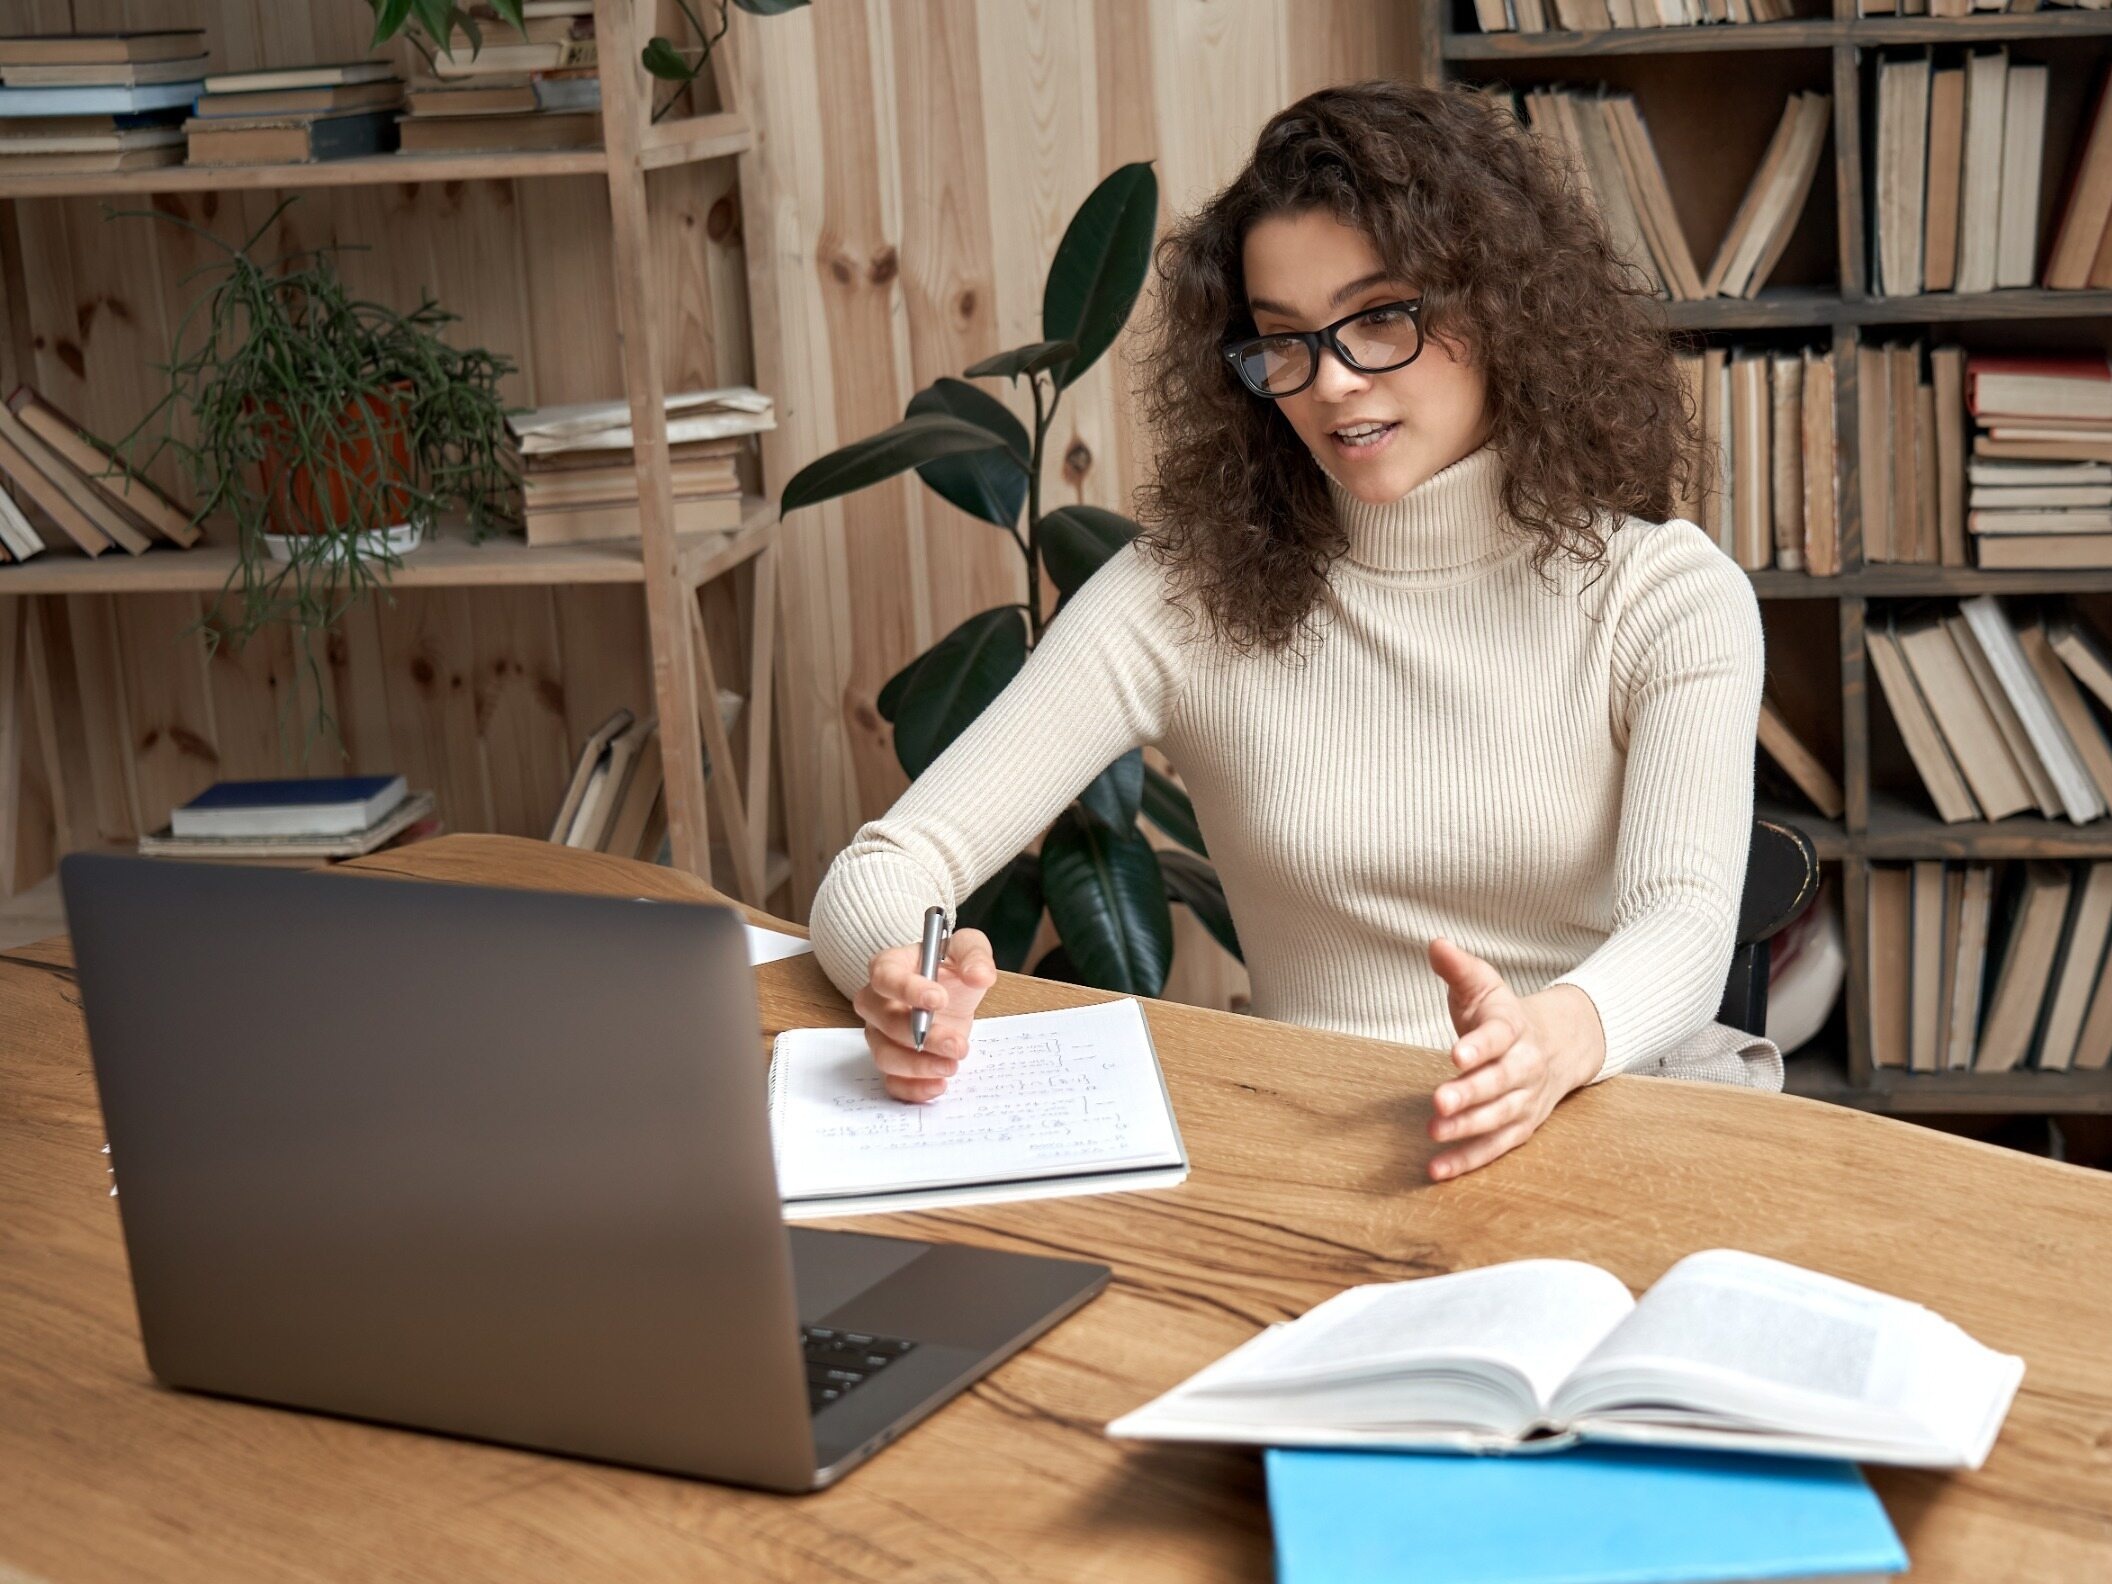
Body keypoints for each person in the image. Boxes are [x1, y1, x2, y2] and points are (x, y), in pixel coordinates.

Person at [805, 80, 1778, 1183]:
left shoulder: (1663, 594)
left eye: (1380, 318)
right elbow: (889, 865)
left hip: (1610, 1121)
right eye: (1284, 342)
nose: (1333, 383)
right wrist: (900, 976)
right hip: (1317, 1156)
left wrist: (1547, 1045)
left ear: (1502, 306)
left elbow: (1687, 929)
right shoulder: (1182, 593)